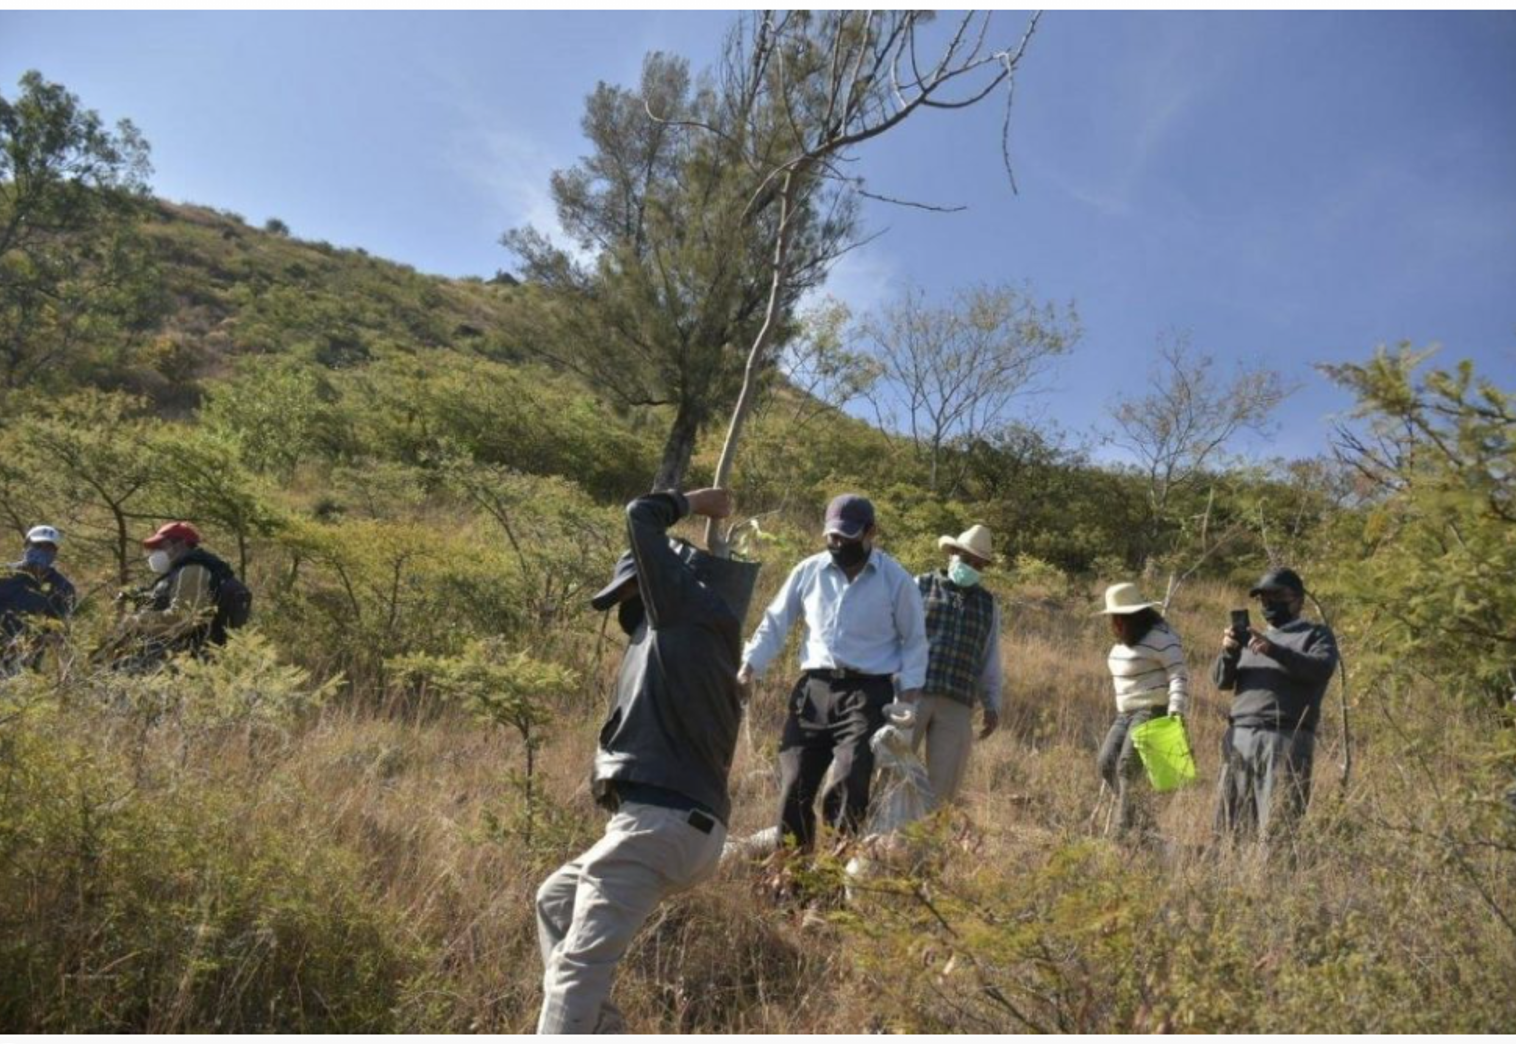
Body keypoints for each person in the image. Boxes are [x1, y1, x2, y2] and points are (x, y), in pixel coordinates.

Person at [536, 487, 752, 1035]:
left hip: (659, 821)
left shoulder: (685, 613)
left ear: (658, 583)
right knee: (557, 898)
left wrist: (696, 502)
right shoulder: (698, 638)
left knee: (578, 967)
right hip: (680, 827)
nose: (624, 605)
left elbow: (640, 514)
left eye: (631, 589)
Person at [739, 493, 928, 852]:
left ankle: (832, 886)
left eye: (848, 536)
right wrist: (749, 667)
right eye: (832, 536)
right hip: (814, 690)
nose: (838, 544)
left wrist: (908, 697)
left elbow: (915, 641)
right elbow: (775, 623)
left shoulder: (895, 580)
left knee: (846, 786)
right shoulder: (809, 571)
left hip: (867, 696)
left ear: (871, 531)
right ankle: (790, 883)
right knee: (794, 786)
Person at [1213, 566, 1339, 848]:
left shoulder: (1316, 635)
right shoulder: (1249, 638)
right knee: (1231, 825)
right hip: (1240, 735)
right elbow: (1221, 681)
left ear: (1298, 599)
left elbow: (1320, 669)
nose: (1269, 604)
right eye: (1264, 599)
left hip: (1285, 737)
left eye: (1277, 596)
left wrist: (1273, 649)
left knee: (1279, 825)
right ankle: (1234, 884)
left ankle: (1274, 883)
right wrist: (1230, 651)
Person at [911, 524, 1004, 807]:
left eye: (978, 564)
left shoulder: (988, 606)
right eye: (966, 560)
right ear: (952, 554)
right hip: (912, 693)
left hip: (957, 702)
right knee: (890, 770)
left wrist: (992, 704)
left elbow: (990, 658)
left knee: (944, 787)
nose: (971, 567)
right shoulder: (920, 585)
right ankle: (874, 841)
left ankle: (925, 846)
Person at [1095, 582, 1189, 841]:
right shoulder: (1124, 642)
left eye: (1119, 617)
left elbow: (1179, 674)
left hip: (1152, 708)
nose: (1115, 623)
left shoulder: (1161, 637)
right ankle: (1142, 820)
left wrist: (1176, 710)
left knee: (1127, 766)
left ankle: (1122, 832)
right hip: (1125, 713)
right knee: (1106, 762)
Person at [111, 521, 235, 666]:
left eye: (161, 546)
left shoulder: (193, 570)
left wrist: (137, 621)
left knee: (118, 671)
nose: (156, 552)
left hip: (186, 656)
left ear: (181, 544)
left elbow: (183, 619)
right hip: (169, 648)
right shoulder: (178, 572)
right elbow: (163, 603)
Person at [0, 525, 77, 675]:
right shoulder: (4, 575)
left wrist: (30, 645)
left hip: (24, 665)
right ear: (26, 545)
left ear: (55, 552)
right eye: (37, 545)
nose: (42, 551)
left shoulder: (62, 588)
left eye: (48, 548)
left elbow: (60, 633)